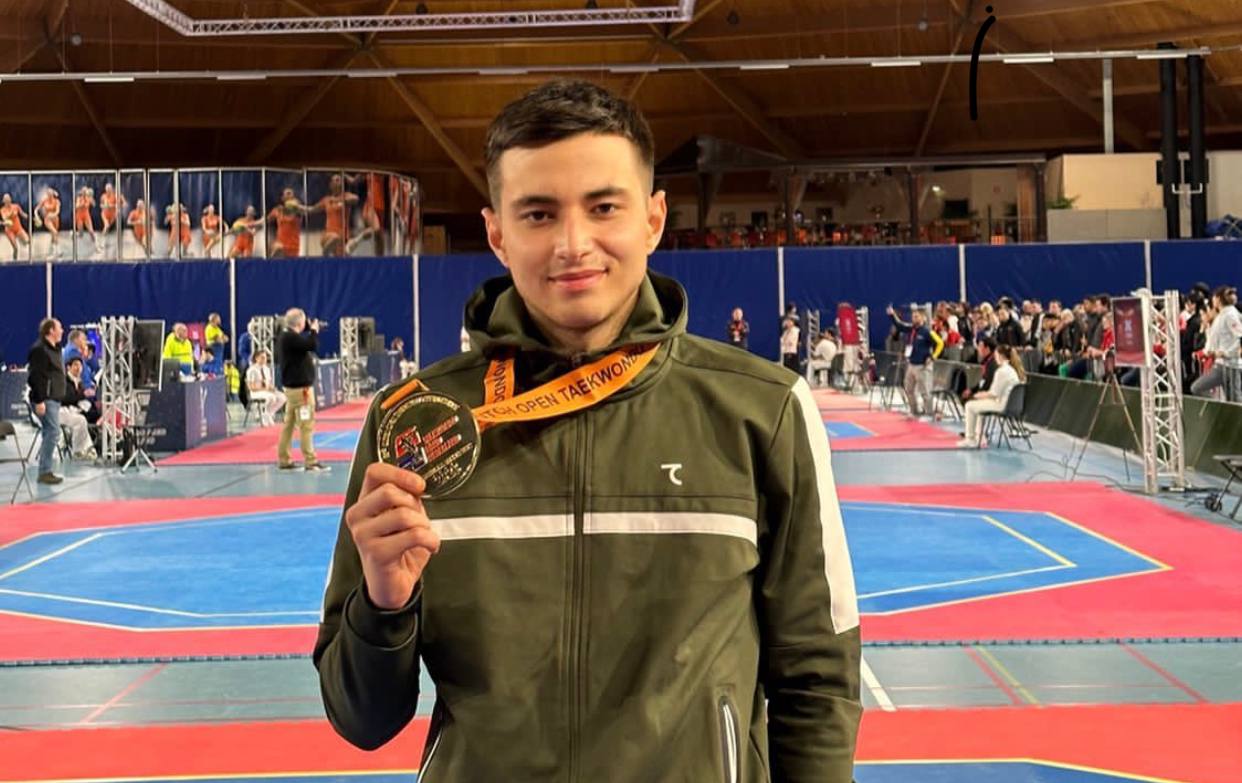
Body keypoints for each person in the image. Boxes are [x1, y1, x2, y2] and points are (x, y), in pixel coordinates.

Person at [315, 79, 861, 782]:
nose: (574, 244)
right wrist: (384, 605)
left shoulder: (764, 411)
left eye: (604, 207)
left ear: (653, 219)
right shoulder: (417, 426)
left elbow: (818, 679)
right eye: (539, 214)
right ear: (497, 233)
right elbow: (359, 719)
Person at [277, 307, 328, 471]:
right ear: (299, 322)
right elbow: (311, 345)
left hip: (292, 389)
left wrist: (308, 328)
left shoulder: (286, 336)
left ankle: (284, 459)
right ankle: (310, 460)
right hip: (301, 390)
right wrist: (313, 330)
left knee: (289, 425)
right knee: (306, 425)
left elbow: (303, 341)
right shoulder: (291, 338)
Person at [959, 343, 1024, 448]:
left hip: (1002, 405)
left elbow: (993, 394)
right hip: (1010, 404)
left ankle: (970, 439)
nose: (995, 358)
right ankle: (980, 437)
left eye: (996, 355)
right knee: (978, 406)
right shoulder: (1011, 370)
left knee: (969, 405)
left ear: (1000, 356)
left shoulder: (1002, 371)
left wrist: (977, 395)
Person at [27, 318, 66, 484]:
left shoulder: (55, 349)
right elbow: (36, 377)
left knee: (49, 432)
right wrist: (39, 400)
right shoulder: (40, 350)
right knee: (53, 432)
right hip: (46, 399)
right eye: (59, 328)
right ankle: (44, 471)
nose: (62, 331)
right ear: (51, 330)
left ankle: (45, 470)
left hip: (54, 398)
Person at [888, 305, 943, 418]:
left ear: (923, 318)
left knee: (925, 392)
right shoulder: (911, 329)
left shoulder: (927, 332)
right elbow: (900, 325)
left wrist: (933, 357)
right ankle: (914, 411)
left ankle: (929, 414)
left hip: (923, 366)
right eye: (913, 317)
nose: (914, 319)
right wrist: (892, 315)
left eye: (917, 316)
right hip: (911, 364)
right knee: (909, 389)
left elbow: (940, 343)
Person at [1191, 286, 1242, 398]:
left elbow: (1240, 336)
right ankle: (1218, 405)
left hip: (1230, 365)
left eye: (1214, 298)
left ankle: (1216, 404)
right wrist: (1209, 351)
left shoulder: (1230, 315)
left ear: (1218, 298)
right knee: (1233, 402)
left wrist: (1226, 353)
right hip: (1222, 364)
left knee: (1235, 401)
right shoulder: (1223, 315)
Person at [307, 175, 361, 257]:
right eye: (336, 180)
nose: (338, 182)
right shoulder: (327, 200)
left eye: (339, 180)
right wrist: (299, 207)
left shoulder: (346, 196)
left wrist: (338, 200)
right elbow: (312, 209)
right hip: (329, 235)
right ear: (331, 185)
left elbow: (356, 199)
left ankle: (329, 258)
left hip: (343, 237)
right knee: (335, 238)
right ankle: (325, 254)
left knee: (341, 258)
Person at [60, 357, 96, 460]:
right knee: (81, 420)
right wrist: (83, 394)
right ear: (68, 367)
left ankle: (91, 447)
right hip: (62, 412)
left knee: (95, 414)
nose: (78, 368)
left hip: (74, 410)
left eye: (80, 365)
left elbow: (79, 399)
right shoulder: (64, 381)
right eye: (75, 365)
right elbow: (67, 398)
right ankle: (78, 451)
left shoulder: (79, 382)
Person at [246, 349, 286, 426]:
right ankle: (265, 414)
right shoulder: (251, 370)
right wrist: (264, 389)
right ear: (256, 358)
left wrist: (272, 388)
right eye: (262, 357)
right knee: (271, 397)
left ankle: (268, 413)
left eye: (265, 357)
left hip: (266, 391)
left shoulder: (267, 369)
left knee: (282, 397)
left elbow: (269, 383)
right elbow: (251, 387)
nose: (264, 359)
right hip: (256, 392)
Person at [268, 189, 306, 258]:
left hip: (293, 247)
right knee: (277, 249)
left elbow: (307, 210)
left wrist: (297, 206)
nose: (289, 195)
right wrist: (252, 226)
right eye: (287, 193)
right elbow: (266, 220)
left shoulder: (298, 210)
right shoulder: (278, 210)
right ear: (283, 198)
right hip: (280, 245)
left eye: (291, 194)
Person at [1, 193, 31, 259]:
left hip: (18, 228)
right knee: (15, 247)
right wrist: (11, 214)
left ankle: (22, 241)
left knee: (27, 240)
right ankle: (15, 259)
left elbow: (22, 214)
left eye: (8, 199)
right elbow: (5, 217)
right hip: (9, 231)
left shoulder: (16, 206)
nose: (8, 201)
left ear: (10, 199)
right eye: (6, 199)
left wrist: (29, 217)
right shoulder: (2, 210)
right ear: (4, 201)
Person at [36, 188, 62, 260]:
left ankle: (55, 250)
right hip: (47, 220)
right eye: (48, 194)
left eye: (50, 194)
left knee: (54, 235)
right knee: (54, 232)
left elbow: (57, 211)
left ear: (53, 194)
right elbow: (36, 209)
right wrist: (37, 216)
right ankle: (56, 252)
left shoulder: (57, 201)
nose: (49, 195)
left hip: (55, 219)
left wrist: (52, 215)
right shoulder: (44, 201)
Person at [74, 187, 99, 255]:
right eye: (83, 192)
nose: (85, 193)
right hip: (79, 216)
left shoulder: (89, 198)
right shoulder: (79, 198)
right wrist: (81, 204)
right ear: (82, 192)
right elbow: (76, 207)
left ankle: (96, 246)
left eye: (86, 192)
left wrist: (91, 198)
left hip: (86, 216)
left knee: (91, 231)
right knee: (81, 234)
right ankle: (74, 234)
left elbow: (94, 204)